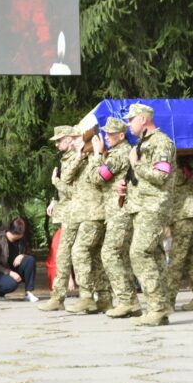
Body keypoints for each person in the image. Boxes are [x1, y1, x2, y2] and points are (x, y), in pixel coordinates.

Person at [121, 103, 176, 327]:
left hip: (153, 206)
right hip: (142, 206)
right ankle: (161, 308)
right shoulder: (143, 143)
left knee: (139, 253)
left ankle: (157, 308)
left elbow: (161, 175)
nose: (128, 124)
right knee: (154, 256)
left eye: (131, 119)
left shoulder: (161, 141)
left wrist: (136, 164)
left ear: (143, 119)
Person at [90, 117, 141, 318]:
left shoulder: (119, 154)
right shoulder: (118, 152)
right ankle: (132, 303)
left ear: (121, 135)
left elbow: (97, 177)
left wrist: (96, 154)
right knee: (122, 257)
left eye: (110, 134)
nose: (106, 137)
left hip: (120, 212)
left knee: (110, 254)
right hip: (119, 211)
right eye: (105, 133)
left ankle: (126, 300)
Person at [66, 127, 112, 314]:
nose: (73, 141)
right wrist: (78, 156)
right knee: (95, 257)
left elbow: (98, 178)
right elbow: (66, 177)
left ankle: (86, 296)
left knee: (79, 251)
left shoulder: (99, 156)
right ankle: (104, 299)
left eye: (76, 138)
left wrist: (97, 154)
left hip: (96, 213)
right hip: (86, 214)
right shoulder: (81, 159)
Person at [39, 125, 83, 312]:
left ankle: (88, 295)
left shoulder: (77, 157)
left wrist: (56, 182)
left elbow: (73, 189)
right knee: (63, 254)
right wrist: (54, 200)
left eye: (59, 140)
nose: (56, 144)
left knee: (78, 254)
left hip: (76, 212)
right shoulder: (64, 158)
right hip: (67, 213)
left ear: (69, 139)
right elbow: (63, 189)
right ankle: (58, 297)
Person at [166, 156, 193, 312]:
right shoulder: (177, 162)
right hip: (177, 214)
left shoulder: (187, 163)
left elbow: (175, 180)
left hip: (184, 214)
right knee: (190, 257)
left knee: (176, 258)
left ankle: (167, 300)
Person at [0, 217, 38, 301]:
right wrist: (10, 273)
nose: (23, 235)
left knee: (30, 260)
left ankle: (28, 292)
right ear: (16, 232)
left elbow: (31, 255)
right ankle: (0, 292)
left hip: (15, 269)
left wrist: (22, 255)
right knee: (12, 284)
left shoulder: (22, 240)